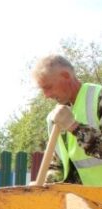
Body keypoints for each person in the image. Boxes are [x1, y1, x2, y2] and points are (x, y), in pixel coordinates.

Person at [33, 54, 102, 185]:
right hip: (81, 197)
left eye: (48, 87)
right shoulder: (53, 118)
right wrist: (46, 186)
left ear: (66, 76)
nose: (46, 95)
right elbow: (58, 165)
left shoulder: (98, 98)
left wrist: (75, 128)